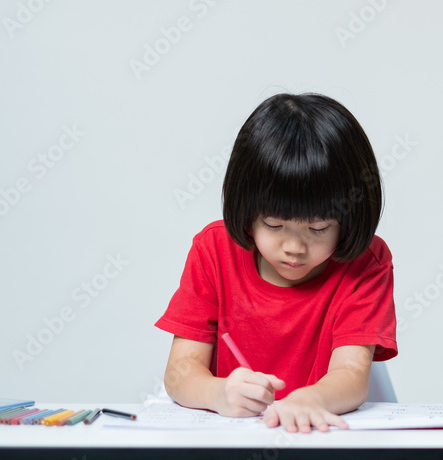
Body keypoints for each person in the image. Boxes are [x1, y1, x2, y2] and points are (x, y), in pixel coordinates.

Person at [156, 93, 397, 432]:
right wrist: (217, 392)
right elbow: (180, 371)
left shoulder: (366, 263)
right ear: (247, 211)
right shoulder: (213, 250)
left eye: (318, 228)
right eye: (273, 225)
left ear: (349, 218)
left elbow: (351, 374)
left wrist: (310, 399)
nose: (294, 247)